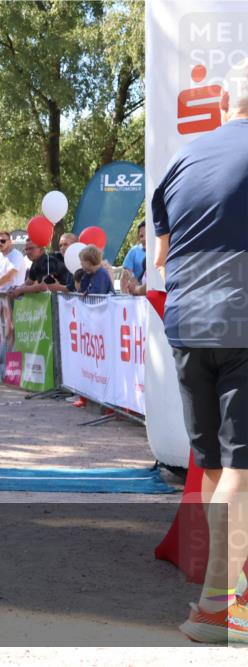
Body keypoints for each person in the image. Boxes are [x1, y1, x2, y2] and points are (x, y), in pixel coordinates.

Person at [152, 59, 248, 644]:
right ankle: (218, 607)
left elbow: (161, 261)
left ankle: (222, 593)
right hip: (241, 327)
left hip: (189, 329)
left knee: (213, 468)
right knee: (242, 470)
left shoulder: (184, 158)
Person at [9, 238, 74, 299]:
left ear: (41, 250)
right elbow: (28, 283)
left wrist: (21, 289)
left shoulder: (48, 261)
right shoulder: (35, 263)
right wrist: (16, 288)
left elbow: (44, 286)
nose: (28, 252)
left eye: (31, 248)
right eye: (26, 249)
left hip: (67, 301)